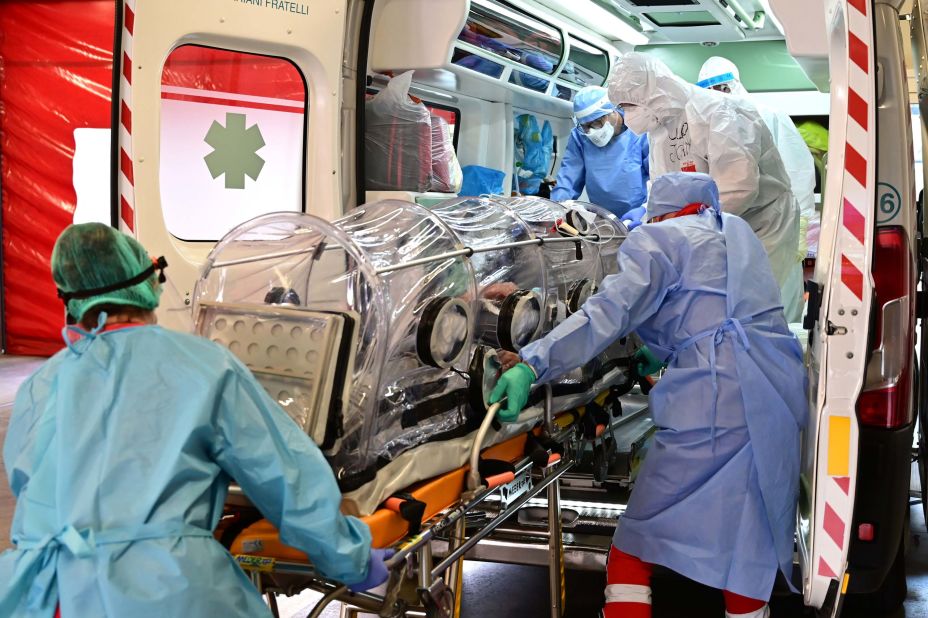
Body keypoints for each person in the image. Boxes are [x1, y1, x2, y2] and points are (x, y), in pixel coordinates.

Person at [0, 223, 391, 617]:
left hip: (44, 594)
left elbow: (34, 485)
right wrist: (351, 557)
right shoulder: (203, 365)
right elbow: (288, 480)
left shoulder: (41, 384)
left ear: (68, 301)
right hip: (164, 589)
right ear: (150, 284)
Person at [491, 173, 808, 618]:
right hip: (775, 391)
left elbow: (606, 314)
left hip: (715, 401)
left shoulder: (658, 239)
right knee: (746, 544)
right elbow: (713, 306)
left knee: (635, 540)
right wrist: (654, 351)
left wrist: (533, 363)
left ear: (657, 211)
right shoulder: (736, 232)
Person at [608, 52, 802, 318]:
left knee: (757, 312)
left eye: (629, 105)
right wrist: (649, 212)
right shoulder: (660, 126)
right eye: (623, 107)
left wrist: (682, 222)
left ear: (652, 93)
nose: (627, 115)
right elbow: (666, 184)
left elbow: (738, 188)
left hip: (761, 226)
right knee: (718, 312)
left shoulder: (719, 111)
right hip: (711, 229)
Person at [697, 56, 816, 322]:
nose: (718, 96)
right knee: (740, 309)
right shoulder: (703, 125)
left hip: (777, 227)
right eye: (709, 90)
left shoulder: (768, 115)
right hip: (731, 231)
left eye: (723, 88)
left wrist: (801, 224)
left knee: (779, 301)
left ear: (737, 85)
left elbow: (798, 170)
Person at [550, 85, 650, 219]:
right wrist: (556, 208)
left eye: (596, 123)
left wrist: (646, 209)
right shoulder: (580, 137)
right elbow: (568, 178)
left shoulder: (640, 132)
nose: (591, 132)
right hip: (602, 216)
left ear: (612, 111)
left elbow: (659, 180)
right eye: (584, 127)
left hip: (638, 215)